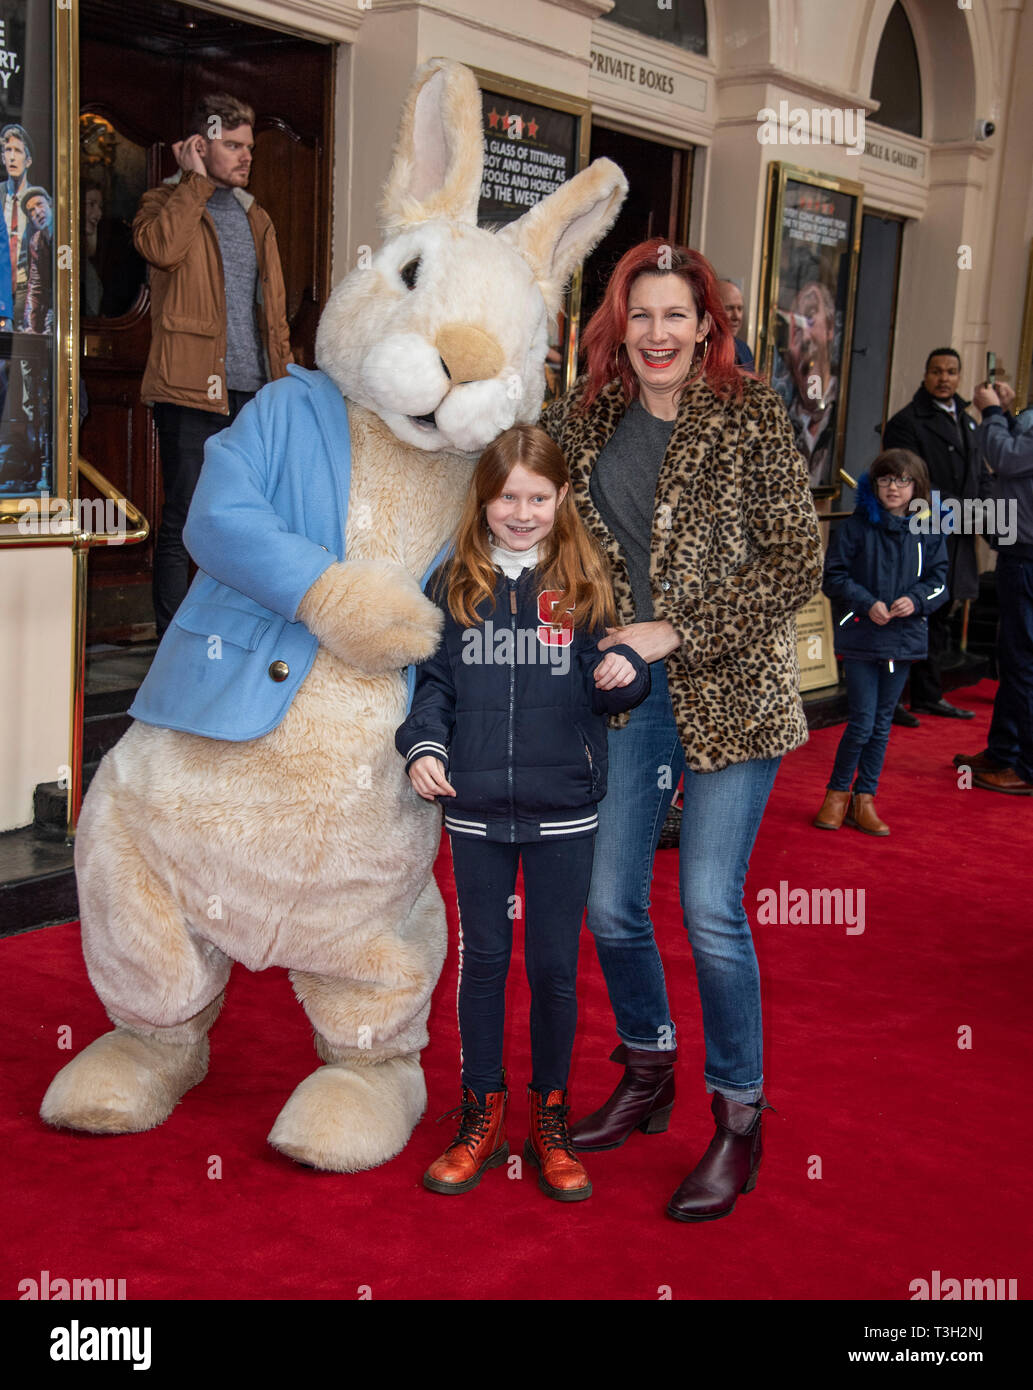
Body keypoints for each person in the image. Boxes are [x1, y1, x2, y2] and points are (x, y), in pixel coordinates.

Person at [540, 238, 823, 1222]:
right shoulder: (580, 420)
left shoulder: (746, 416)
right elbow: (530, 529)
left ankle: (738, 1119)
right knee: (609, 905)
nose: (657, 333)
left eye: (676, 315)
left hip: (733, 690)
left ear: (708, 325)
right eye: (641, 314)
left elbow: (796, 559)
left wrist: (678, 628)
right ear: (619, 323)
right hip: (624, 692)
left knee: (708, 907)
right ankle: (648, 1065)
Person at [396, 424, 650, 1203]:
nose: (521, 511)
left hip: (563, 807)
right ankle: (481, 1110)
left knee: (551, 969)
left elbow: (619, 676)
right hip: (473, 807)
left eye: (537, 497)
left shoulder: (585, 580)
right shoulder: (454, 582)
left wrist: (625, 671)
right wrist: (423, 747)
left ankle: (550, 1116)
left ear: (561, 498)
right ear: (484, 498)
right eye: (507, 496)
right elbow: (432, 686)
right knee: (484, 965)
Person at [133, 92, 292, 638]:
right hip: (189, 392)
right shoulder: (163, 203)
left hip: (253, 396)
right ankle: (174, 645)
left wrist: (286, 383)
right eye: (232, 145)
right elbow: (161, 249)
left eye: (249, 146)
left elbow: (274, 318)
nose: (246, 156)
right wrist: (193, 182)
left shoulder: (256, 216)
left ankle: (234, 635)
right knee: (184, 521)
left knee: (249, 521)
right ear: (202, 145)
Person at [814, 450, 948, 835]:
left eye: (903, 480)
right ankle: (836, 794)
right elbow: (833, 577)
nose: (894, 487)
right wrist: (866, 602)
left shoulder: (928, 529)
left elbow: (940, 582)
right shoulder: (856, 528)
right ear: (875, 484)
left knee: (882, 724)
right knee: (861, 722)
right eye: (887, 479)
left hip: (903, 638)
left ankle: (864, 798)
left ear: (916, 487)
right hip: (862, 634)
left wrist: (918, 600)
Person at [883, 348, 983, 720]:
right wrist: (961, 512)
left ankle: (927, 693)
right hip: (920, 531)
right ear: (925, 375)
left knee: (940, 614)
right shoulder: (907, 422)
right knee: (906, 612)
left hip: (956, 535)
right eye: (937, 371)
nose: (944, 378)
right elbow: (907, 482)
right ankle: (890, 700)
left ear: (960, 376)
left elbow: (979, 476)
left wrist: (986, 517)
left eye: (952, 371)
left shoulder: (968, 421)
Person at [953, 381, 1033, 794]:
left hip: (1027, 557)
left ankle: (1026, 767)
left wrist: (993, 413)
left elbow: (1006, 457)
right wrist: (1008, 413)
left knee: (1023, 663)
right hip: (1019, 554)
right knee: (1013, 659)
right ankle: (1004, 752)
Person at [775, 279, 839, 487]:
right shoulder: (780, 418)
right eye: (795, 328)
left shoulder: (846, 409)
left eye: (810, 318)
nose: (804, 337)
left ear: (830, 329)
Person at [22, 187, 52, 334]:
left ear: (50, 204)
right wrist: (30, 325)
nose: (37, 212)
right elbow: (35, 286)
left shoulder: (65, 234)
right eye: (31, 211)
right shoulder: (35, 242)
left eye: (40, 204)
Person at [716, 275, 755, 369]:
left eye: (740, 309)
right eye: (729, 308)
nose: (736, 316)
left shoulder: (744, 349)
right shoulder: (698, 350)